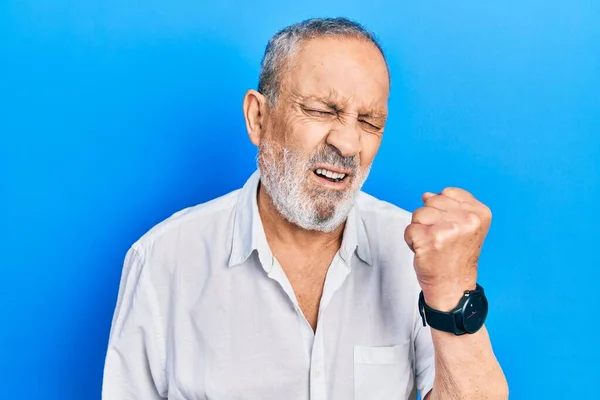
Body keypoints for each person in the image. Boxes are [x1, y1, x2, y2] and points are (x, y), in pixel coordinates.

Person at [102, 17, 508, 400]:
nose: (348, 144)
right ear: (258, 117)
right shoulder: (164, 261)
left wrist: (454, 290)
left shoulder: (412, 256)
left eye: (369, 121)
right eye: (321, 110)